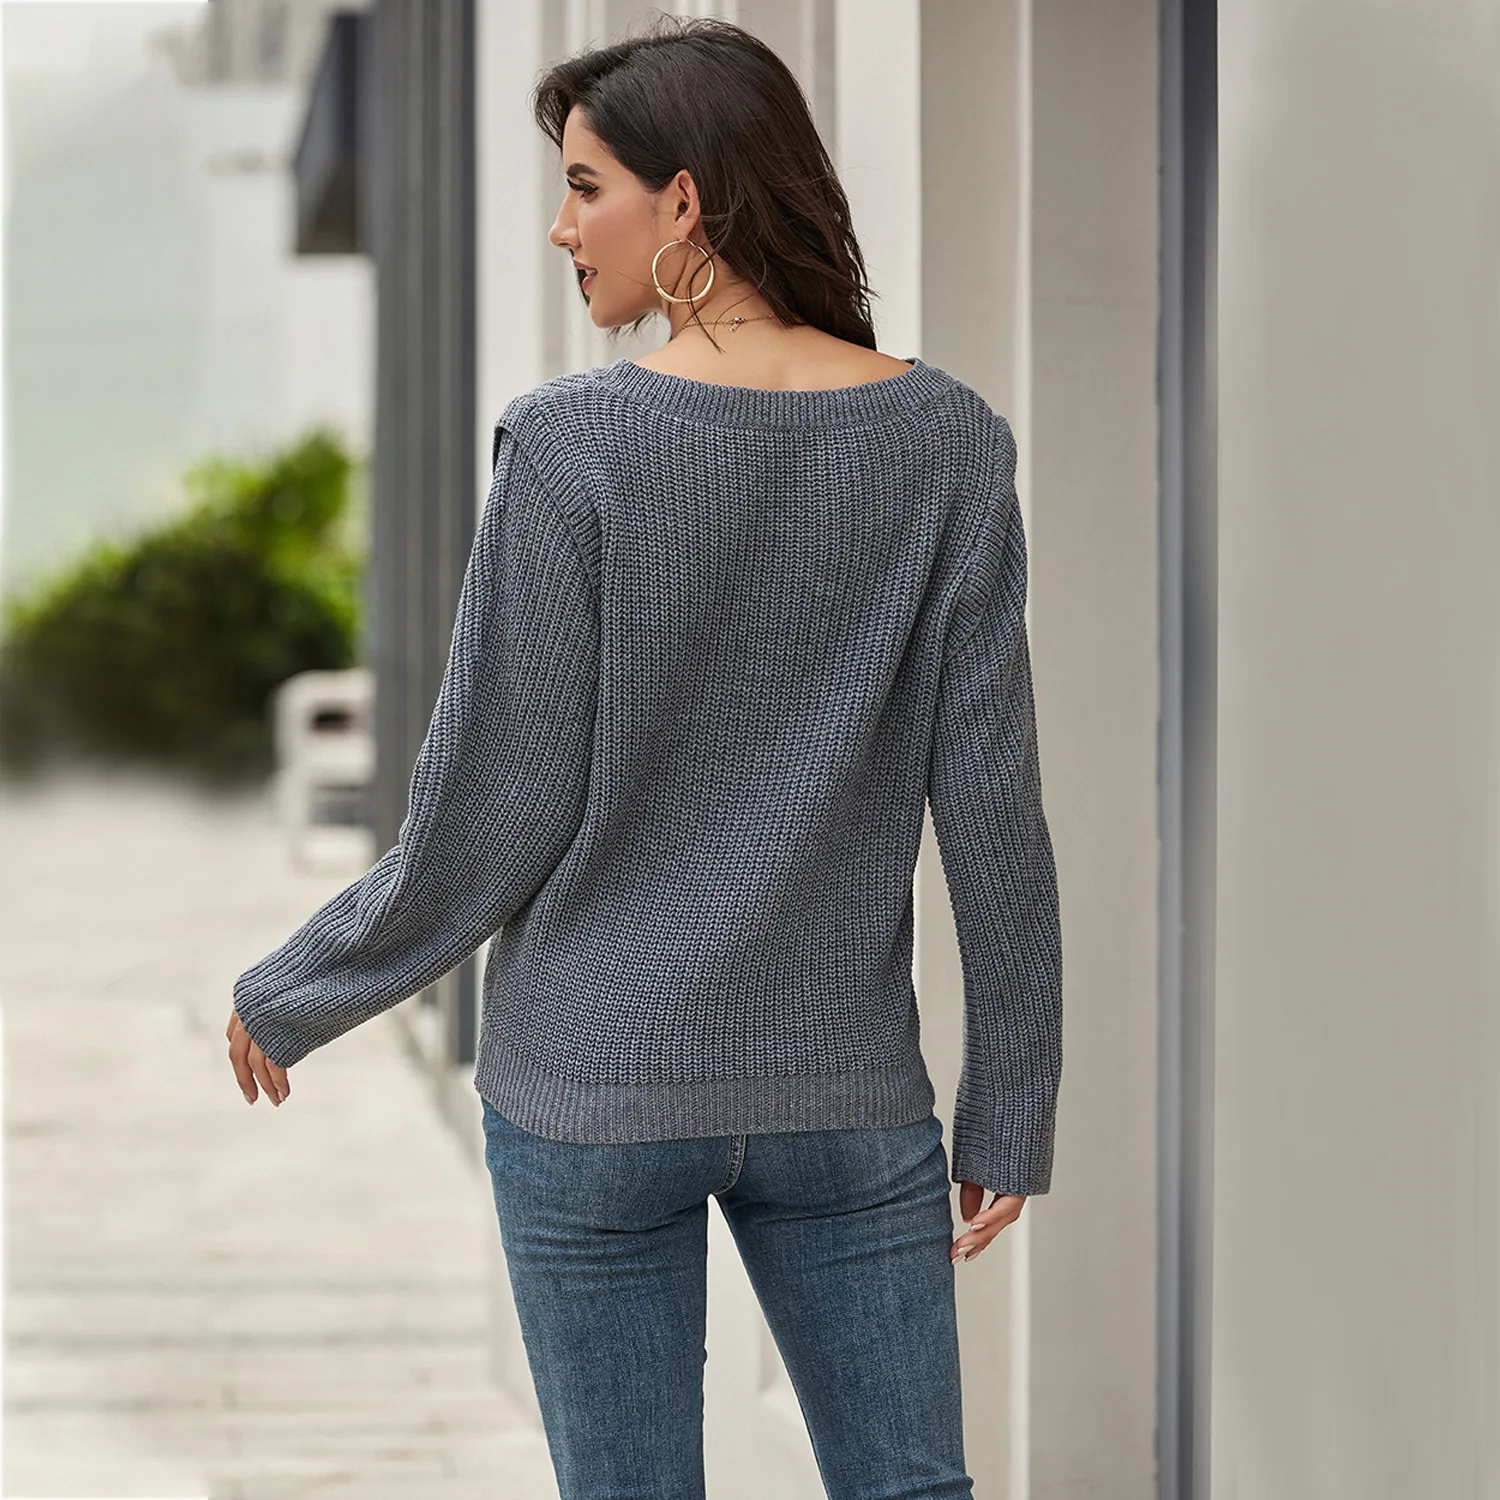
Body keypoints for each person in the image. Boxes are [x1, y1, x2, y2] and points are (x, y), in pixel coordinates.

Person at [226, 13, 1062, 1498]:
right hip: (842, 1086)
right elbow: (992, 807)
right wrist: (1010, 1097)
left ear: (686, 202)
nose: (561, 229)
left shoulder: (572, 448)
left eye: (584, 186)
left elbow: (495, 805)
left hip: (593, 1084)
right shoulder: (950, 443)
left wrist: (303, 985)